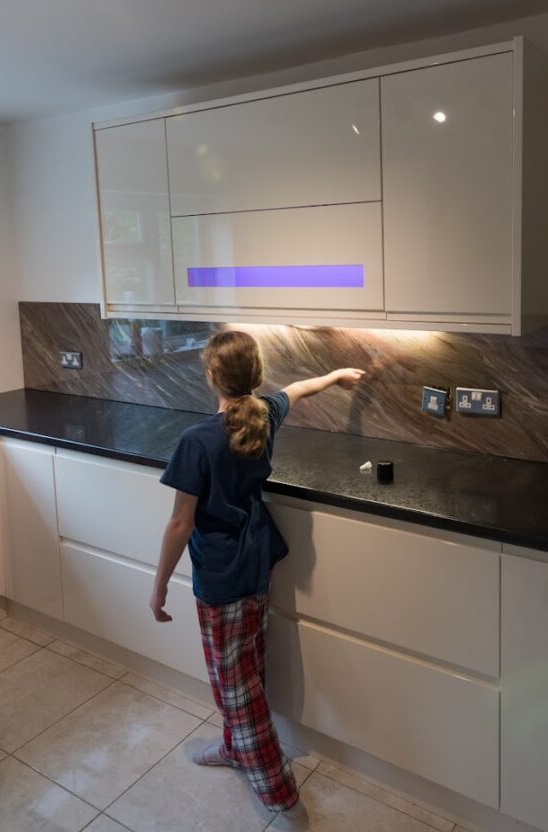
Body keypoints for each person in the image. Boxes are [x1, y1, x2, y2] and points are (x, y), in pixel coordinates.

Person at [150, 329, 365, 822]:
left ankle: (277, 789)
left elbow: (180, 522)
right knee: (246, 668)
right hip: (257, 562)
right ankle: (233, 748)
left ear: (211, 377)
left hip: (221, 573)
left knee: (233, 685)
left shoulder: (197, 440)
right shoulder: (264, 414)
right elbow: (299, 390)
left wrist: (158, 585)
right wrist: (336, 375)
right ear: (256, 375)